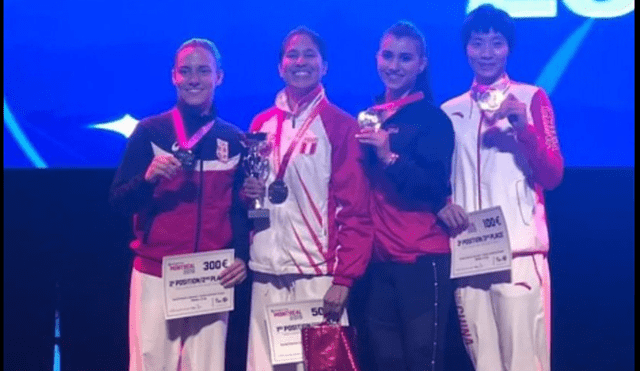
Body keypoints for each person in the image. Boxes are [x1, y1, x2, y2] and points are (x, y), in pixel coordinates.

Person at [109, 38, 249, 371]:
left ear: (219, 77)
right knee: (150, 365)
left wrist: (242, 256)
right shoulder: (149, 132)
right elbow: (118, 201)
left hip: (211, 276)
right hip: (157, 273)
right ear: (174, 76)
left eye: (203, 70)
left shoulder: (233, 139)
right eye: (185, 71)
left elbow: (238, 210)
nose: (194, 79)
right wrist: (147, 179)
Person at [439, 4, 564, 371]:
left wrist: (523, 129)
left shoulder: (531, 98)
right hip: (469, 255)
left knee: (524, 364)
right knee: (485, 365)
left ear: (508, 48)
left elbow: (553, 175)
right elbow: (444, 179)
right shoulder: (450, 110)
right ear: (467, 49)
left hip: (519, 257)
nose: (487, 53)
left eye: (496, 43)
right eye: (478, 44)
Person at [241, 26, 373, 371]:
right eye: (292, 54)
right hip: (267, 274)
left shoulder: (340, 126)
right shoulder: (262, 124)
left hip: (317, 276)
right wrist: (248, 194)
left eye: (310, 54)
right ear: (280, 66)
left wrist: (344, 279)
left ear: (324, 66)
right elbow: (257, 197)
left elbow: (355, 209)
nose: (301, 61)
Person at [355, 21, 455, 371]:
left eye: (405, 58)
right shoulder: (369, 116)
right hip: (378, 259)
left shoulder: (433, 119)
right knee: (385, 361)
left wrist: (389, 157)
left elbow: (434, 186)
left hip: (421, 257)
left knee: (421, 359)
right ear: (377, 57)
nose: (394, 66)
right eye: (388, 55)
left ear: (422, 65)